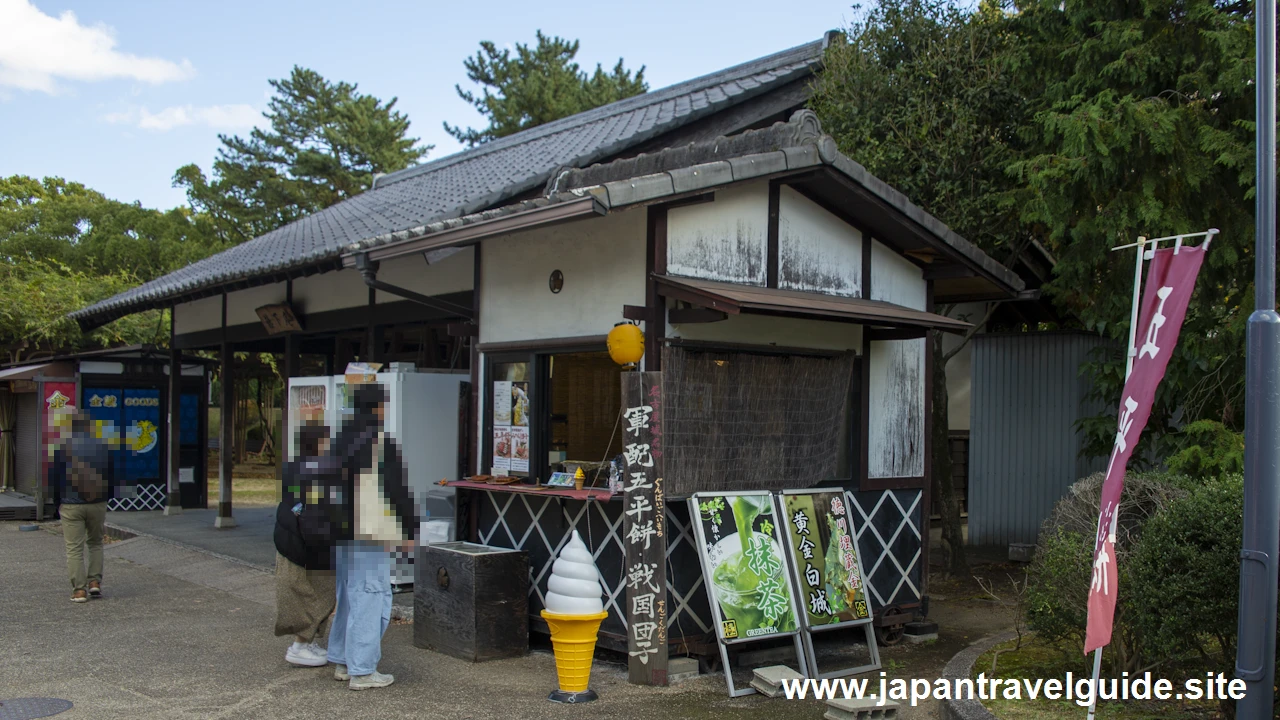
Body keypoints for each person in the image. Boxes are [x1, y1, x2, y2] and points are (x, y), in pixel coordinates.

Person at [326, 383, 419, 691]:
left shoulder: (339, 439)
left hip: (339, 530)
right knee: (370, 595)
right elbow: (396, 490)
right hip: (368, 531)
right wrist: (408, 529)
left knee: (348, 595)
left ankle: (342, 659)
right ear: (378, 407)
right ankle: (363, 670)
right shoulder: (379, 442)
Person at [273, 424, 339, 667]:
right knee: (314, 594)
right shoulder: (313, 472)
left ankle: (306, 643)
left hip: (290, 541)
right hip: (302, 546)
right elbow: (314, 515)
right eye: (327, 441)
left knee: (308, 594)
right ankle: (300, 645)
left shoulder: (297, 466)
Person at [51, 410, 113, 603]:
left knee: (74, 548)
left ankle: (79, 590)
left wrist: (56, 503)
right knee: (95, 543)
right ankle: (94, 583)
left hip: (71, 504)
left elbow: (55, 478)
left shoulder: (61, 447)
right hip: (97, 502)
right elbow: (110, 473)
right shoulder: (101, 444)